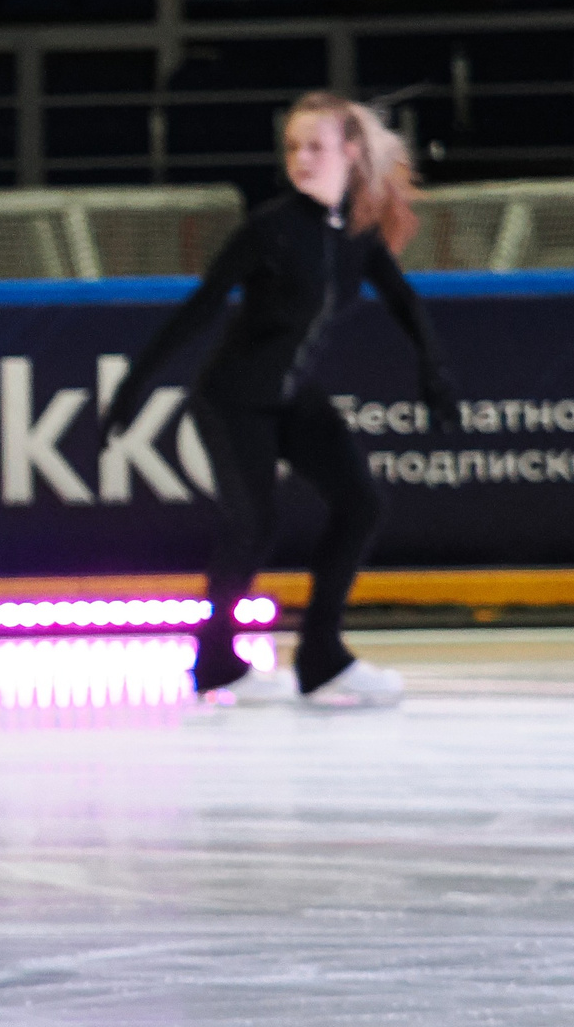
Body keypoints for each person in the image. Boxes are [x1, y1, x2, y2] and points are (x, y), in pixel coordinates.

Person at [101, 92, 456, 709]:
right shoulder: (269, 228)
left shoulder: (359, 234)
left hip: (291, 397)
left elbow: (405, 300)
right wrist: (136, 384)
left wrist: (434, 371)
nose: (300, 158)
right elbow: (203, 304)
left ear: (349, 152)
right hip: (231, 397)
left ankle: (321, 656)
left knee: (362, 504)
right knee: (252, 525)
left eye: (314, 146)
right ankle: (214, 661)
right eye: (292, 147)